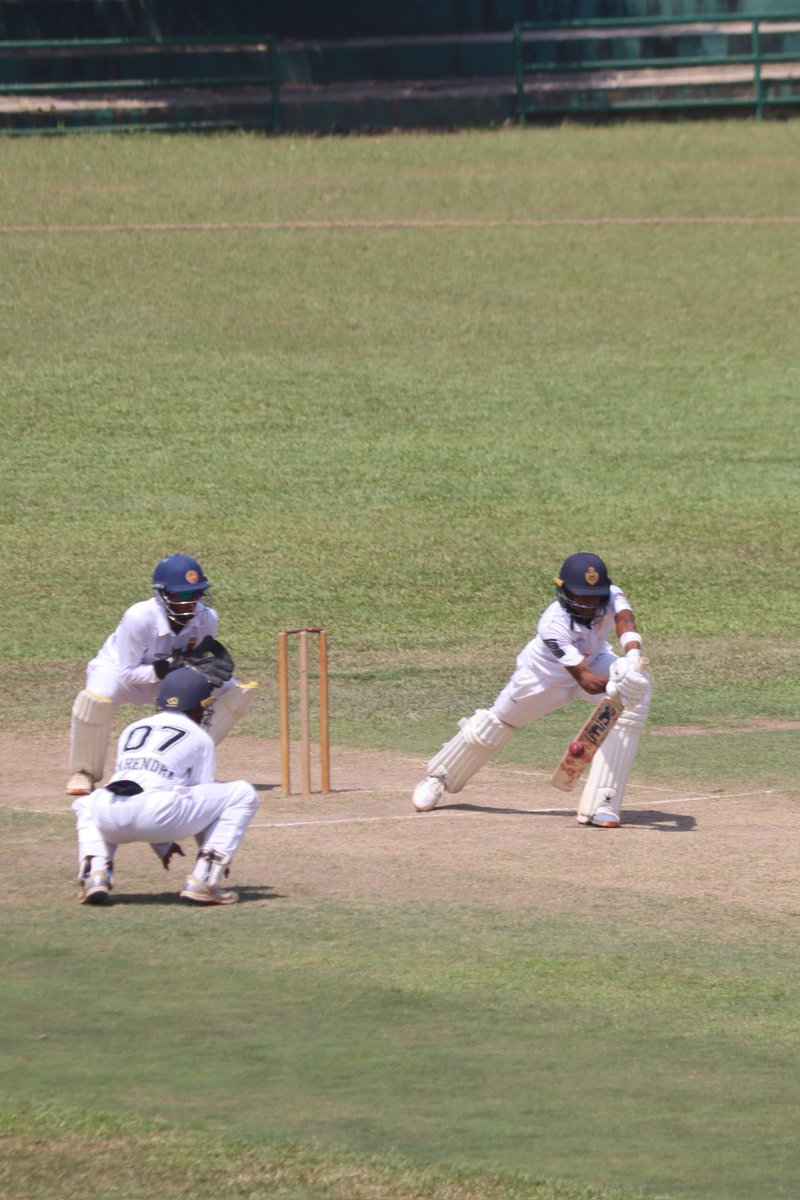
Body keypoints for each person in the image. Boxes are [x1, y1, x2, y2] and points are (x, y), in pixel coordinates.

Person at [411, 552, 652, 828]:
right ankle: (440, 776)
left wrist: (632, 658)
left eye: (594, 597)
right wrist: (617, 681)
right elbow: (585, 679)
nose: (590, 604)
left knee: (637, 693)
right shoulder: (552, 625)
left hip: (596, 657)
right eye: (582, 598)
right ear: (565, 593)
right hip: (542, 676)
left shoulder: (610, 594)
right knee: (496, 725)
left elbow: (625, 619)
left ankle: (602, 802)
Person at [66, 553, 257, 797]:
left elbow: (195, 661)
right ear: (162, 594)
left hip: (170, 678)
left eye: (197, 593)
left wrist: (198, 674)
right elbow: (126, 671)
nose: (191, 602)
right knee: (96, 699)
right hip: (119, 674)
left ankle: (184, 767)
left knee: (234, 692)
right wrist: (161, 669)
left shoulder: (207, 619)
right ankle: (84, 772)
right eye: (183, 595)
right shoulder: (139, 617)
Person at [73, 668, 259, 905]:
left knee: (86, 803)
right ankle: (205, 879)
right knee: (243, 793)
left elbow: (137, 789)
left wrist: (162, 843)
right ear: (199, 706)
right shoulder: (200, 738)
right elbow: (199, 795)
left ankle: (95, 873)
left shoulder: (132, 729)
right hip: (159, 814)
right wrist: (213, 847)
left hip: (109, 817)